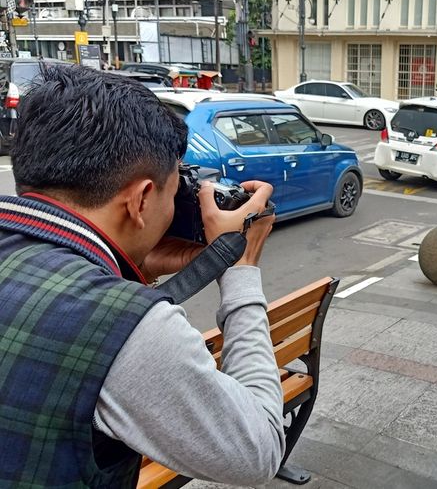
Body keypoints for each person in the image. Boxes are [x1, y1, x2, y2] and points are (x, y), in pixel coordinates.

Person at [0, 66, 284, 486]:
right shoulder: (124, 325)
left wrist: (131, 267)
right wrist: (239, 266)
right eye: (175, 191)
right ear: (142, 199)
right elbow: (256, 450)